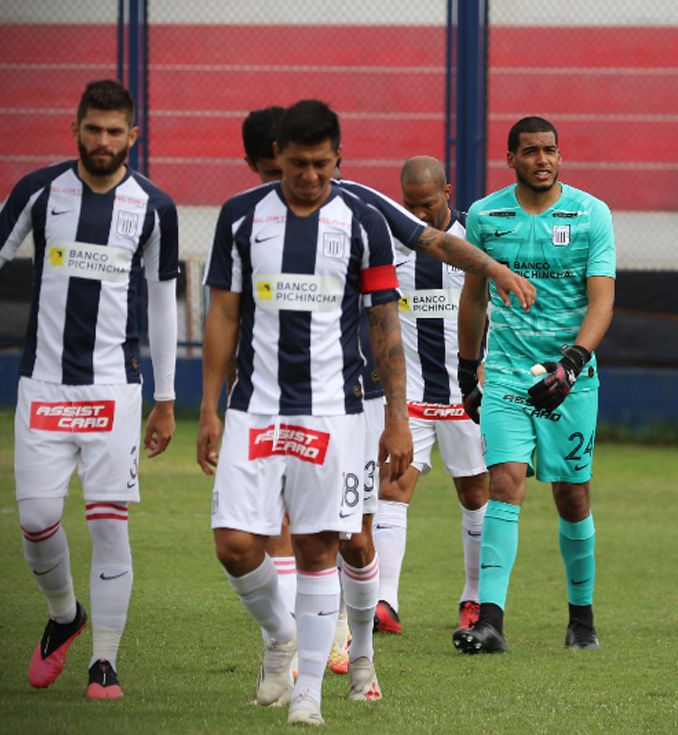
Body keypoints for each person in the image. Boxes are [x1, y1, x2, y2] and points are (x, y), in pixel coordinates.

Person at [0, 79, 178, 700]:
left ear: (133, 136)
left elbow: (164, 304)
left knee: (109, 523)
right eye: (94, 129)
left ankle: (104, 663)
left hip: (115, 389)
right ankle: (65, 616)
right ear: (76, 129)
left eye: (116, 131)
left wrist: (166, 399)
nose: (104, 140)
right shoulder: (39, 191)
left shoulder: (154, 206)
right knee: (36, 521)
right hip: (44, 387)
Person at [196, 100, 413, 724]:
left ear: (337, 157)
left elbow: (383, 323)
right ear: (277, 158)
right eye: (298, 165)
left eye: (322, 164)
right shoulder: (240, 219)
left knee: (323, 546)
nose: (311, 176)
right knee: (236, 544)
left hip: (334, 413)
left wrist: (395, 415)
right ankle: (279, 635)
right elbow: (223, 314)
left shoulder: (363, 222)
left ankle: (309, 694)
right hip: (253, 408)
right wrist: (208, 407)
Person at [452, 116, 615, 654]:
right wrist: (466, 366)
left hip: (572, 379)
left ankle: (582, 619)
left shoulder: (592, 215)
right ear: (511, 159)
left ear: (560, 156)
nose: (542, 160)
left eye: (550, 151)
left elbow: (602, 301)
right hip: (504, 376)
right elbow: (474, 296)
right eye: (530, 152)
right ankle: (491, 621)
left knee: (572, 497)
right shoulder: (485, 215)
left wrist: (571, 363)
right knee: (506, 483)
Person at [370, 156, 490, 635]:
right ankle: (385, 602)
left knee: (475, 492)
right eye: (409, 205)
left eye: (428, 203)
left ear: (449, 190)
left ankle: (474, 599)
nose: (419, 214)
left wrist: (484, 369)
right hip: (411, 395)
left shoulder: (471, 243)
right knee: (392, 487)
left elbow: (492, 310)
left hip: (467, 394)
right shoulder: (389, 245)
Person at [237, 104, 307, 670]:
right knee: (260, 531)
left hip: (344, 399)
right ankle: (281, 645)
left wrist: (497, 270)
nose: (281, 182)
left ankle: (347, 635)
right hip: (262, 398)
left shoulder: (351, 207)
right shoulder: (242, 221)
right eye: (267, 172)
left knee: (345, 533)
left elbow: (427, 238)